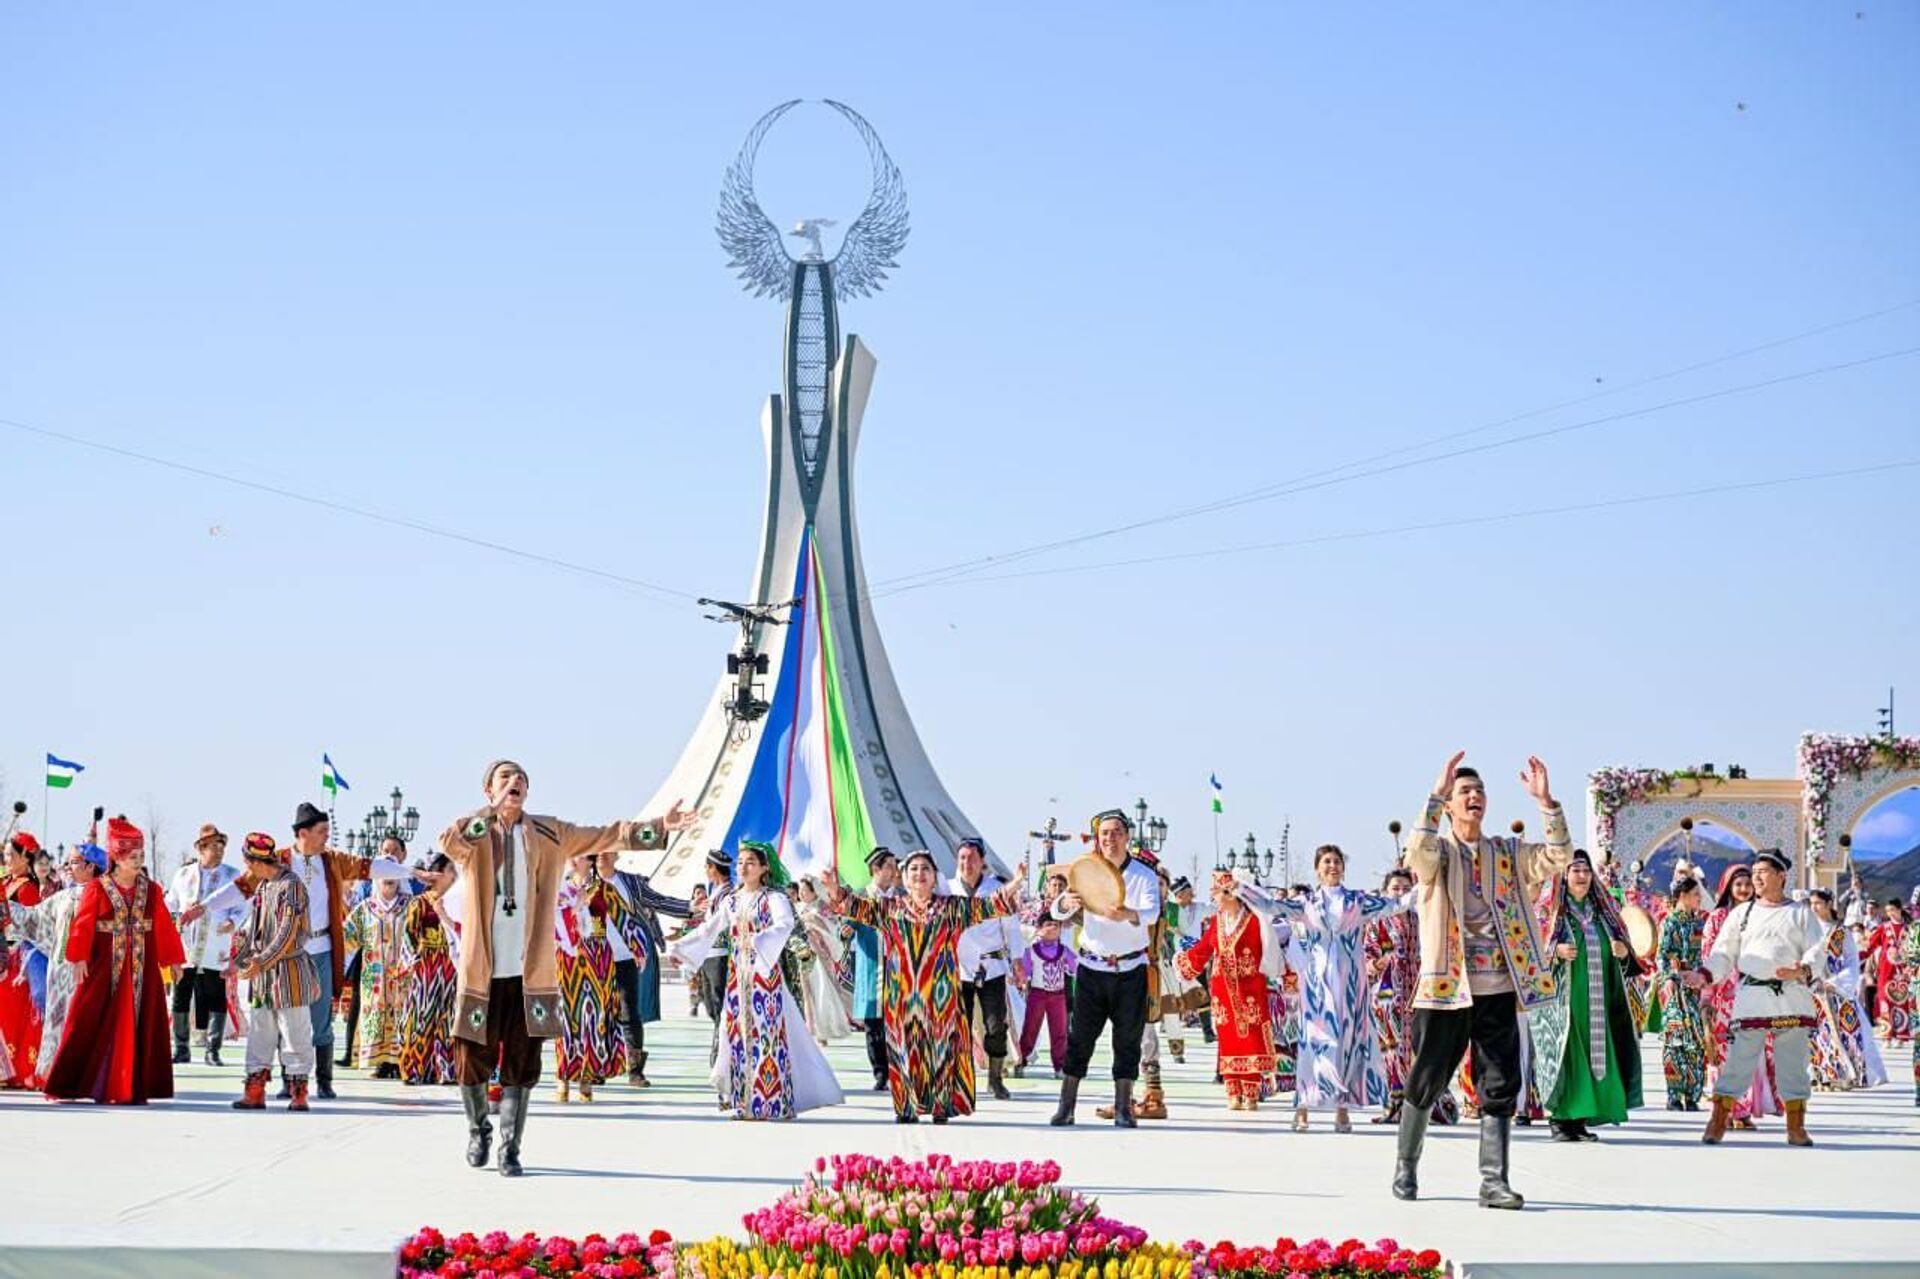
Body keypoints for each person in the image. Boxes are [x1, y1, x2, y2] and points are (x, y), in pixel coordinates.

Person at [438, 758, 690, 1175]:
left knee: (524, 1060)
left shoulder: (549, 832)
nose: (515, 782)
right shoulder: (476, 834)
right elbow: (450, 842)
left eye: (521, 779)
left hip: (529, 973)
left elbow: (608, 834)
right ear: (488, 790)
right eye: (505, 778)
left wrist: (660, 826)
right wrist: (491, 811)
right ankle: (477, 1127)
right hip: (481, 970)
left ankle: (509, 1147)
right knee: (469, 1057)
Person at [1391, 753, 1572, 1210]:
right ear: (1450, 806)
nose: (1474, 798)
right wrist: (1434, 796)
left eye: (1479, 792)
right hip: (1446, 990)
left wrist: (1546, 803)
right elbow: (1416, 850)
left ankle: (1494, 1182)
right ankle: (1406, 1165)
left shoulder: (1507, 854)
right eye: (1464, 793)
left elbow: (1558, 857)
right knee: (1427, 1078)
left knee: (1500, 1082)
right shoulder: (1438, 855)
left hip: (1498, 987)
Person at [184, 803, 413, 1100]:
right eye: (322, 832)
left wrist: (411, 870)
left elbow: (371, 867)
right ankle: (289, 1082)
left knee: (320, 1020)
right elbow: (241, 888)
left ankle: (324, 1079)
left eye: (328, 831)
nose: (326, 837)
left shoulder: (332, 860)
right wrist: (203, 906)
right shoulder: (276, 861)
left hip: (321, 950)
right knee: (282, 1019)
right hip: (284, 956)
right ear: (303, 833)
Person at [822, 847, 1022, 1123]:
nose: (919, 873)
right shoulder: (889, 909)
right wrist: (834, 889)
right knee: (903, 1048)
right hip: (901, 993)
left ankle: (940, 1106)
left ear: (934, 876)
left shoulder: (952, 907)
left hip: (940, 995)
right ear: (903, 878)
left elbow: (989, 907)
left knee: (939, 1048)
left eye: (925, 868)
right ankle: (906, 1107)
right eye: (913, 869)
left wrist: (1016, 882)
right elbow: (855, 908)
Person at [1239, 844, 1413, 1131]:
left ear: (1343, 867)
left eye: (1337, 861)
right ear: (1317, 868)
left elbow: (1395, 905)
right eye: (1327, 862)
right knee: (1312, 1044)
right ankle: (1303, 1107)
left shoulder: (1358, 902)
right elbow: (1271, 905)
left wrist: (1427, 887)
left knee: (1347, 1044)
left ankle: (1342, 1109)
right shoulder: (1306, 904)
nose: (1332, 866)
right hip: (1318, 987)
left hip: (1350, 987)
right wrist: (1241, 888)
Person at [666, 841, 842, 1121]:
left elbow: (784, 925)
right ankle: (743, 1102)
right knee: (737, 1035)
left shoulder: (774, 899)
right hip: (738, 979)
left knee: (768, 1036)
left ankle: (773, 1102)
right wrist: (681, 949)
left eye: (750, 862)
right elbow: (710, 929)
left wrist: (762, 940)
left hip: (765, 977)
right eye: (740, 862)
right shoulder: (732, 900)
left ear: (763, 868)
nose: (743, 867)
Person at [1686, 848, 1828, 1147]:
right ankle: (1718, 1120)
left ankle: (1796, 1126)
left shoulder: (1801, 913)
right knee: (1738, 1062)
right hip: (1752, 996)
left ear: (1781, 876)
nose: (1757, 878)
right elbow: (1723, 953)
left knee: (1793, 1063)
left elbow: (1818, 949)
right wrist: (1705, 975)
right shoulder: (1742, 913)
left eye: (1763, 872)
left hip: (1791, 995)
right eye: (1754, 873)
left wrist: (1802, 968)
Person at [42, 819, 186, 1105]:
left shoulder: (152, 889)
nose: (139, 861)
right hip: (103, 965)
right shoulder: (98, 887)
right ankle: (71, 1083)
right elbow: (83, 923)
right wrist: (79, 956)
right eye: (133, 857)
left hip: (142, 967)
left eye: (141, 856)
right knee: (87, 1018)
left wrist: (173, 960)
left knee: (140, 1019)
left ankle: (131, 1084)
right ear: (117, 859)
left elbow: (162, 926)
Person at [1048, 808, 1162, 1128]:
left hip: (1130, 969)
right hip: (1092, 967)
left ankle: (1124, 1107)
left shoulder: (1143, 875)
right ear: (1098, 839)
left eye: (1116, 833)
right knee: (1080, 1037)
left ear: (1127, 837)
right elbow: (1058, 907)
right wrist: (1064, 905)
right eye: (1105, 834)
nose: (1110, 839)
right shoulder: (1086, 871)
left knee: (1128, 1040)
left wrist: (1128, 914)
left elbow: (1153, 912)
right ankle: (1066, 1105)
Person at [1531, 850, 1644, 1141]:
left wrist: (1622, 951)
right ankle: (1560, 1120)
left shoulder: (1603, 914)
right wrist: (1554, 951)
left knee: (1595, 1056)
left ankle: (1580, 1120)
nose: (1581, 876)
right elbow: (1530, 950)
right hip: (1563, 1002)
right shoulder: (1550, 912)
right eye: (1575, 870)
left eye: (1585, 870)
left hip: (1597, 1001)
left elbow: (1624, 950)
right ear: (1563, 876)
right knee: (1566, 1055)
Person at [228, 831, 322, 1111]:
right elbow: (252, 929)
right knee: (260, 1033)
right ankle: (255, 1090)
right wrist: (238, 958)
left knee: (295, 1033)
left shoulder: (290, 887)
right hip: (262, 977)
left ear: (254, 862)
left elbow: (287, 932)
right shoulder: (263, 888)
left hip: (289, 972)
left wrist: (261, 960)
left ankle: (299, 1092)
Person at [1175, 870, 1280, 1109]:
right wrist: (1185, 965)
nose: (1214, 897)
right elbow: (1203, 950)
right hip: (1223, 990)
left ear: (1231, 894)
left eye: (1217, 892)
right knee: (1228, 1037)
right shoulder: (1216, 923)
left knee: (1252, 1036)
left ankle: (1251, 1092)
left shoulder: (1255, 921)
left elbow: (1271, 945)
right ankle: (1233, 1090)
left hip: (1251, 989)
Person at [1366, 865, 1459, 1125]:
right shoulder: (1377, 922)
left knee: (1421, 1048)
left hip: (1418, 993)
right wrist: (1377, 964)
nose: (1400, 893)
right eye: (1395, 888)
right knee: (1393, 1052)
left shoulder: (1421, 920)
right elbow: (1366, 954)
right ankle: (1396, 1106)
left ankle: (1426, 1104)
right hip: (1387, 996)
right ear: (1385, 891)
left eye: (1406, 889)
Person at [9, 843, 104, 1088]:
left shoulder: (105, 898)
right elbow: (32, 919)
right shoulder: (65, 896)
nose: (66, 867)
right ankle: (54, 1073)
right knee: (58, 1021)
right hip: (60, 974)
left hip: (91, 974)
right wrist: (5, 905)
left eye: (73, 862)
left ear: (90, 866)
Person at [600, 859, 692, 1088]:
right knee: (599, 1014)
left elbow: (658, 901)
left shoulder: (629, 882)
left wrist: (689, 908)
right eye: (597, 851)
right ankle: (598, 1066)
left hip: (626, 957)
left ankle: (635, 1071)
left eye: (606, 849)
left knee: (630, 1012)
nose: (601, 855)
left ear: (615, 853)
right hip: (594, 959)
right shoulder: (583, 882)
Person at [1701, 865, 1780, 1130]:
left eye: (1748, 884)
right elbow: (1709, 957)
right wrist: (1707, 995)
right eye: (1739, 884)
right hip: (1725, 996)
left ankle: (1743, 1110)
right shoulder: (1717, 918)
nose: (1744, 889)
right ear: (1728, 888)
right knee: (1725, 1054)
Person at [950, 837, 1023, 1102]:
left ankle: (995, 1078)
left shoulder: (997, 890)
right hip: (959, 969)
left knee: (995, 1026)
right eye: (962, 858)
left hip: (991, 968)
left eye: (971, 858)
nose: (966, 863)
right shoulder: (947, 890)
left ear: (982, 862)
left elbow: (1012, 928)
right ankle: (959, 1077)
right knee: (958, 1026)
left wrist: (1017, 961)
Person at [165, 825, 245, 1067]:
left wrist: (234, 920)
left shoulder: (232, 875)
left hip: (215, 942)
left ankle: (213, 1049)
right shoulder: (183, 874)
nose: (218, 851)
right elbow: (170, 903)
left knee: (215, 996)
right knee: (181, 995)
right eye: (213, 846)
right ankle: (181, 1048)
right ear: (200, 848)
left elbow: (244, 904)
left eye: (221, 846)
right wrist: (174, 921)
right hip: (187, 944)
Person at [553, 855, 628, 1101]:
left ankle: (586, 1076)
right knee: (566, 1015)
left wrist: (639, 949)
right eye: (572, 854)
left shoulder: (604, 889)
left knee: (593, 1016)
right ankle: (563, 1075)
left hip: (598, 957)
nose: (575, 859)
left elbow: (624, 919)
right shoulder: (559, 889)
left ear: (591, 861)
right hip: (568, 957)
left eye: (582, 855)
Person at [1807, 888, 1886, 1092]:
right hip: (1813, 988)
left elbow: (1852, 961)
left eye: (1818, 903)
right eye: (1811, 903)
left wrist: (1837, 981)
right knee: (1816, 1035)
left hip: (1837, 990)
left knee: (1846, 1032)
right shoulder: (1807, 930)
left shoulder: (1842, 932)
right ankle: (1821, 1074)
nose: (1814, 907)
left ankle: (1846, 1074)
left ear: (1828, 904)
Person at [342, 872, 410, 1076]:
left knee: (403, 1014)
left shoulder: (411, 905)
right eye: (383, 874)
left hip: (404, 975)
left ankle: (402, 1061)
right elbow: (348, 937)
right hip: (375, 978)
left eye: (393, 873)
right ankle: (381, 1062)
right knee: (375, 1014)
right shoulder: (365, 909)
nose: (388, 878)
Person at [398, 855, 459, 1086]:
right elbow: (408, 935)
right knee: (421, 1016)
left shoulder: (457, 902)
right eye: (452, 869)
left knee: (450, 1018)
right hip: (426, 967)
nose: (456, 875)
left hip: (452, 966)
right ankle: (415, 1068)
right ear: (439, 873)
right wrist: (412, 961)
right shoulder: (421, 902)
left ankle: (446, 1069)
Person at [845, 846, 902, 1090]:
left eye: (894, 866)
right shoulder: (861, 897)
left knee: (898, 1021)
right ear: (875, 869)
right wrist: (846, 930)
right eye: (889, 866)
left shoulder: (902, 898)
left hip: (898, 968)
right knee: (873, 1023)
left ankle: (898, 1068)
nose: (894, 871)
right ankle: (880, 1072)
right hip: (871, 966)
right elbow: (846, 925)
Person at [1656, 876, 1711, 1111]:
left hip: (1695, 988)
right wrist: (1671, 977)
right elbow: (1662, 955)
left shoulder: (1700, 924)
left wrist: (1701, 977)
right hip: (1675, 989)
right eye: (1695, 894)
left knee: (1697, 1041)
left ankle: (1693, 1094)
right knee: (1675, 1040)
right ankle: (1674, 1094)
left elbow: (1705, 955)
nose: (1699, 898)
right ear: (1682, 896)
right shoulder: (1669, 923)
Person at [0, 830, 45, 1087]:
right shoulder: (7, 882)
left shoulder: (27, 888)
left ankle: (10, 1071)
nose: (6, 860)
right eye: (5, 854)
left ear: (25, 858)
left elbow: (28, 926)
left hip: (15, 956)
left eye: (10, 855)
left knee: (9, 1014)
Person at [790, 877, 857, 1046]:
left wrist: (814, 926)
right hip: (801, 953)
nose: (802, 893)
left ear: (814, 891)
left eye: (805, 890)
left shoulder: (822, 908)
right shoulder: (797, 908)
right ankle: (810, 1028)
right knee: (805, 992)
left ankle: (822, 1029)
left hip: (819, 954)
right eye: (800, 890)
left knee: (822, 990)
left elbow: (832, 929)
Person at [1016, 916, 1076, 1078]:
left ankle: (1060, 1066)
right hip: (1037, 994)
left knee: (1059, 1032)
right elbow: (1024, 974)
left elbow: (1076, 966)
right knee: (1030, 1029)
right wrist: (1018, 979)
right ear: (1040, 928)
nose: (1053, 928)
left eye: (1056, 925)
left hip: (1058, 996)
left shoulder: (1064, 951)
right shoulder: (1031, 951)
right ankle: (1021, 1061)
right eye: (1048, 925)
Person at [1865, 900, 1913, 1042]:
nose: (1890, 913)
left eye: (1892, 909)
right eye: (1887, 911)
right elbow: (1870, 945)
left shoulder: (1910, 928)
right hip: (1886, 969)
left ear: (1899, 909)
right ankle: (1887, 1031)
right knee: (1884, 999)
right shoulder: (1883, 927)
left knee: (1903, 998)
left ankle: (1902, 1032)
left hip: (1904, 968)